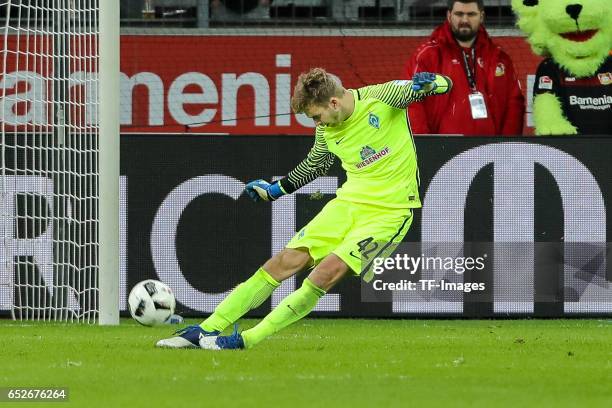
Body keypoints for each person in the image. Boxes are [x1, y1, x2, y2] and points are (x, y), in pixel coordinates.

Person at [156, 68, 452, 350]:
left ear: (334, 102)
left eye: (317, 116)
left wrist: (430, 83)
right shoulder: (326, 131)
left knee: (325, 273)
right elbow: (315, 165)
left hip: (391, 213)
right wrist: (274, 191)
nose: (317, 124)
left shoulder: (383, 97)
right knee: (286, 260)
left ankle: (246, 340)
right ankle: (207, 329)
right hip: (347, 206)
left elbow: (443, 85)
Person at [403, 0, 525, 136]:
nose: (465, 20)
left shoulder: (499, 58)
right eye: (459, 14)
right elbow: (413, 101)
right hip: (443, 151)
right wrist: (424, 146)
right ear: (449, 16)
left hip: (491, 151)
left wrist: (506, 146)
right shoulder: (428, 56)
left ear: (482, 16)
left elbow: (514, 104)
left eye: (471, 14)